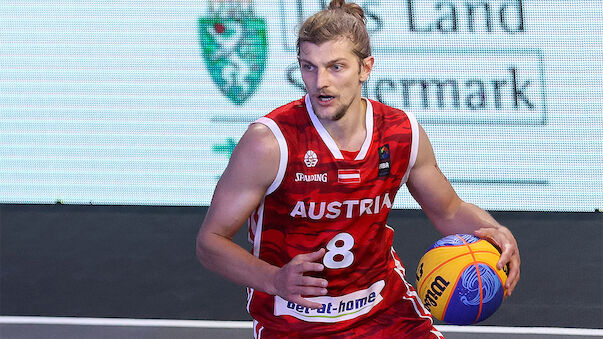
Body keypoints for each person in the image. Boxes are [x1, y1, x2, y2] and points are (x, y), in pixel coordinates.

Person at [196, 0, 520, 337]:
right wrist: (272, 279)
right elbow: (210, 242)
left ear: (366, 68)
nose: (320, 82)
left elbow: (449, 211)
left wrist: (495, 230)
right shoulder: (270, 142)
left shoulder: (400, 133)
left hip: (382, 309)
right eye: (309, 67)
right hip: (295, 319)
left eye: (336, 67)